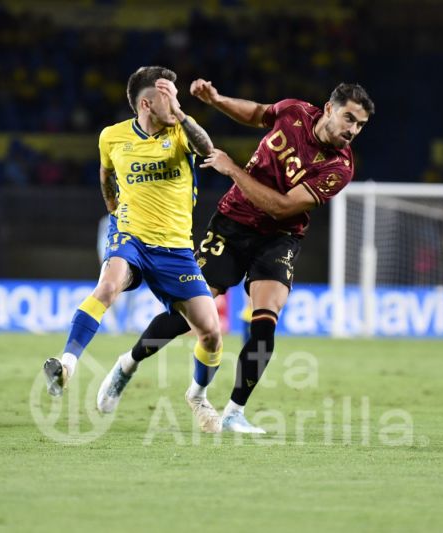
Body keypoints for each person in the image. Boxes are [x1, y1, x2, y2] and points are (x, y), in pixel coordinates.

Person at [104, 79, 374, 433]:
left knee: (265, 322)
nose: (353, 130)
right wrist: (216, 100)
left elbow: (282, 208)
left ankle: (234, 411)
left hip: (279, 236)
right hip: (232, 223)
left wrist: (232, 169)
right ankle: (128, 364)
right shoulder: (294, 111)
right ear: (329, 109)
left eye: (360, 125)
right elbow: (259, 113)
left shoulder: (339, 168)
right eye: (349, 119)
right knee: (190, 312)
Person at [42, 66, 225, 433]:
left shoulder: (180, 132)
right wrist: (114, 211)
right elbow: (105, 174)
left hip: (175, 248)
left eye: (176, 94)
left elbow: (208, 149)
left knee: (210, 333)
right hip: (130, 236)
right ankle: (66, 365)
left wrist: (182, 112)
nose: (174, 101)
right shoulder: (112, 137)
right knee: (107, 287)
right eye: (167, 94)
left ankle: (196, 396)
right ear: (146, 102)